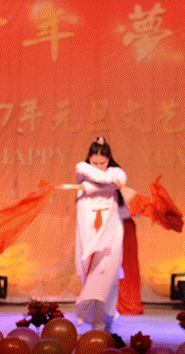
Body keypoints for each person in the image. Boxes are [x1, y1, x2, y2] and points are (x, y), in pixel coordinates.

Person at [74, 136, 126, 331]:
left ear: (109, 160)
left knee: (107, 277)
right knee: (89, 276)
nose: (98, 167)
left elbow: (116, 181)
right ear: (89, 159)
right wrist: (107, 183)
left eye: (102, 163)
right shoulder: (82, 168)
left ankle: (103, 320)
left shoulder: (117, 173)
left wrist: (89, 187)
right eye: (94, 163)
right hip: (89, 230)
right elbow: (104, 179)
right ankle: (96, 319)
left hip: (111, 230)